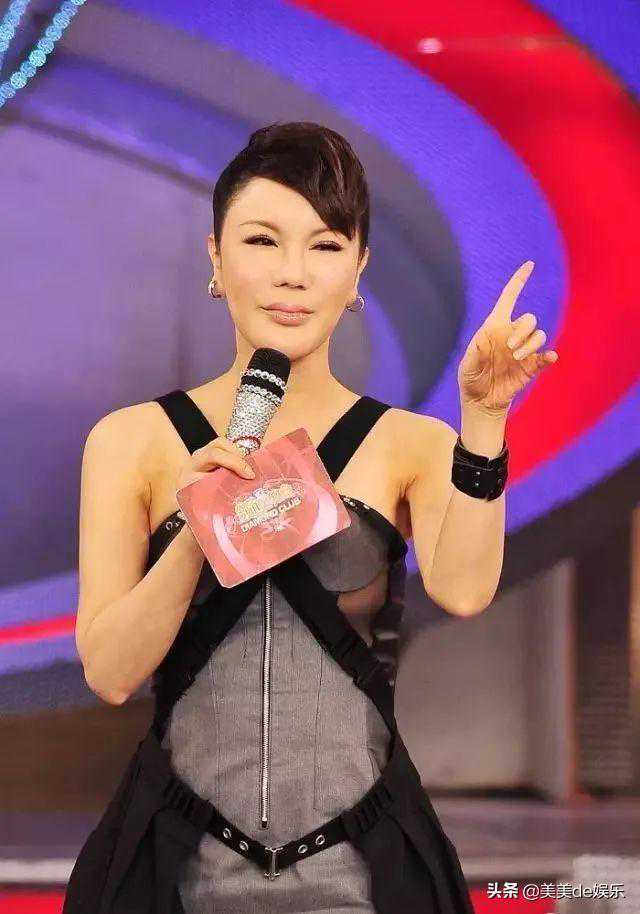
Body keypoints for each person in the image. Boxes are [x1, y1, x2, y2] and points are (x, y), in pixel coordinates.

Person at [64, 121, 558, 914]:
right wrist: (198, 532)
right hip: (178, 876)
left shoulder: (409, 442)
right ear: (216, 259)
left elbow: (465, 590)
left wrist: (484, 420)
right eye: (262, 241)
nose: (292, 275)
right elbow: (111, 673)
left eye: (325, 246)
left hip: (361, 876)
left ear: (358, 269)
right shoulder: (133, 441)